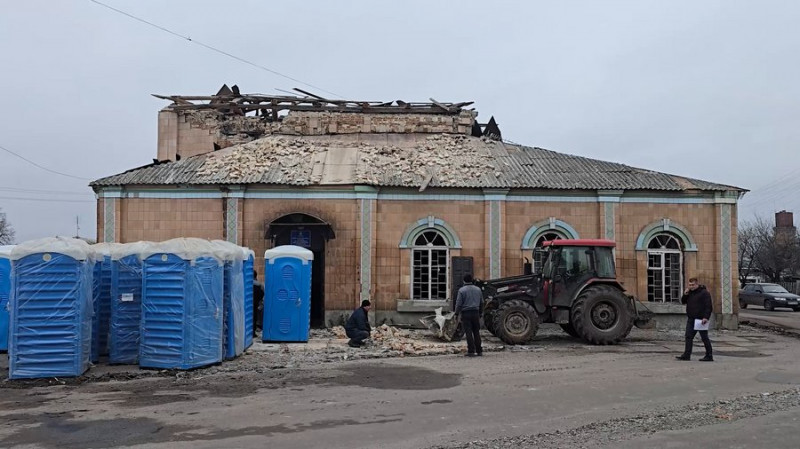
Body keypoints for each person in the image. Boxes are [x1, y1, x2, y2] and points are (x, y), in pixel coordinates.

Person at [676, 277, 714, 362]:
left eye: (693, 285)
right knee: (688, 337)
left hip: (700, 319)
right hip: (691, 318)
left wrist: (706, 317)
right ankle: (687, 354)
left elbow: (708, 306)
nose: (691, 286)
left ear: (697, 284)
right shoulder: (690, 293)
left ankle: (709, 355)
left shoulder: (704, 293)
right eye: (690, 285)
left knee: (704, 337)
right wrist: (685, 294)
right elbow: (683, 301)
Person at [455, 274, 483, 357]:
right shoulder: (478, 290)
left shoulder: (461, 290)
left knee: (468, 332)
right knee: (476, 332)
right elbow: (482, 302)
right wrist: (481, 312)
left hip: (466, 313)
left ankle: (471, 351)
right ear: (472, 280)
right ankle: (479, 351)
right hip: (476, 312)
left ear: (464, 281)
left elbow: (458, 304)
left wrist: (456, 313)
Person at [253, 269, 264, 338]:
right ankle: (253, 333)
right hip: (256, 304)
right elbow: (262, 294)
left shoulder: (245, 283)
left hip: (246, 305)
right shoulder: (259, 284)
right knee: (255, 317)